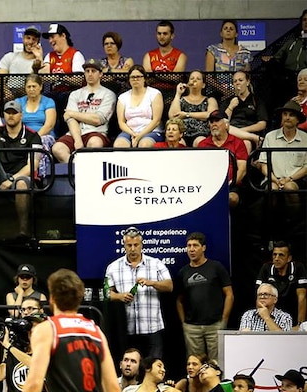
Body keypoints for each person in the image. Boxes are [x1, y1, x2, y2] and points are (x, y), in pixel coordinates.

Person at [105, 226, 173, 359]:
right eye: (129, 245)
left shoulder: (156, 264)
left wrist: (151, 283)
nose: (132, 248)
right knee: (131, 368)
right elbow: (106, 293)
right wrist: (120, 296)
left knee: (153, 368)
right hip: (127, 330)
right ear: (124, 245)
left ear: (142, 245)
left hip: (152, 328)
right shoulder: (113, 267)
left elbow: (169, 286)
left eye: (136, 245)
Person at [0, 100, 42, 237]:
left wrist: (10, 180)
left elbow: (33, 165)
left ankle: (23, 230)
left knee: (21, 183)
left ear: (21, 115)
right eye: (8, 112)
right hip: (0, 174)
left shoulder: (33, 135)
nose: (11, 115)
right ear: (4, 115)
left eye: (14, 113)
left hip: (21, 177)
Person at [175, 232, 233, 363]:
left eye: (195, 245)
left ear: (204, 248)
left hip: (215, 325)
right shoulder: (183, 272)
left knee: (217, 363)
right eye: (189, 246)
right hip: (192, 327)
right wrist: (184, 323)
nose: (191, 249)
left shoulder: (216, 267)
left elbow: (229, 294)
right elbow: (179, 300)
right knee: (194, 364)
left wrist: (224, 320)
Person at [52, 59, 117, 163]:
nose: (90, 74)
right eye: (87, 71)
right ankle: (78, 167)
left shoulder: (108, 94)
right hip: (74, 133)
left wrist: (72, 113)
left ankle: (85, 169)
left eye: (93, 71)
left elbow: (97, 119)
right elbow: (70, 120)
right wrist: (78, 140)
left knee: (95, 143)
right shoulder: (75, 94)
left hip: (96, 132)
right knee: (57, 148)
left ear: (100, 74)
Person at [197, 110, 249, 206]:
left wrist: (229, 184)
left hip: (232, 185)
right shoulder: (203, 144)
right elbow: (198, 169)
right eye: (211, 122)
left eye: (217, 121)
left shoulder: (237, 142)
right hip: (207, 185)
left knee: (232, 198)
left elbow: (242, 169)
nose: (214, 124)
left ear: (226, 125)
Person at [256, 101, 307, 192]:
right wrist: (275, 179)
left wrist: (289, 179)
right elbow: (263, 164)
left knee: (289, 188)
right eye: (285, 114)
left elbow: (306, 167)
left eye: (291, 115)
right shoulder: (270, 136)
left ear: (298, 119)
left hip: (297, 179)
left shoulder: (305, 138)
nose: (287, 118)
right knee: (272, 188)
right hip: (272, 179)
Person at [255, 240, 307, 323]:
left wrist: (300, 324)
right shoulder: (266, 268)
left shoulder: (298, 268)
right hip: (272, 315)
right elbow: (259, 296)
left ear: (289, 258)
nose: (276, 258)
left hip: (293, 314)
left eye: (281, 255)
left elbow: (302, 297)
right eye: (274, 255)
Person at [114, 66, 164, 148]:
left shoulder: (155, 94)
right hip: (130, 131)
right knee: (119, 145)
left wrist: (139, 136)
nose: (135, 79)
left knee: (144, 144)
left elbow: (156, 120)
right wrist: (133, 134)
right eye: (132, 77)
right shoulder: (123, 97)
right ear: (129, 79)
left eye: (138, 77)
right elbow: (121, 122)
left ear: (144, 78)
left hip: (151, 131)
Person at [16, 74, 56, 177]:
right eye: (28, 87)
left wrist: (34, 138)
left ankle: (39, 175)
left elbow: (49, 125)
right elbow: (15, 122)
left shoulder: (48, 101)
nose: (31, 89)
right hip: (24, 136)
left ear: (41, 87)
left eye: (34, 86)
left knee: (40, 142)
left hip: (45, 135)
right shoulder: (18, 102)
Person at [168, 70, 218, 146]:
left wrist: (187, 114)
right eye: (192, 78)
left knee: (200, 142)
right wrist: (178, 94)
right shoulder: (181, 100)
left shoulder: (210, 100)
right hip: (182, 134)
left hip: (201, 133)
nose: (194, 80)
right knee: (178, 144)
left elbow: (211, 115)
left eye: (198, 79)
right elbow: (173, 116)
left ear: (203, 85)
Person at [223, 70, 267, 153]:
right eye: (235, 81)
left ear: (247, 82)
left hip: (248, 131)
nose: (237, 83)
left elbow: (262, 124)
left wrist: (242, 131)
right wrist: (230, 107)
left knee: (246, 143)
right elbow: (224, 122)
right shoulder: (228, 101)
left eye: (240, 80)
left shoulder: (256, 100)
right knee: (225, 127)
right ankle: (255, 138)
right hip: (231, 133)